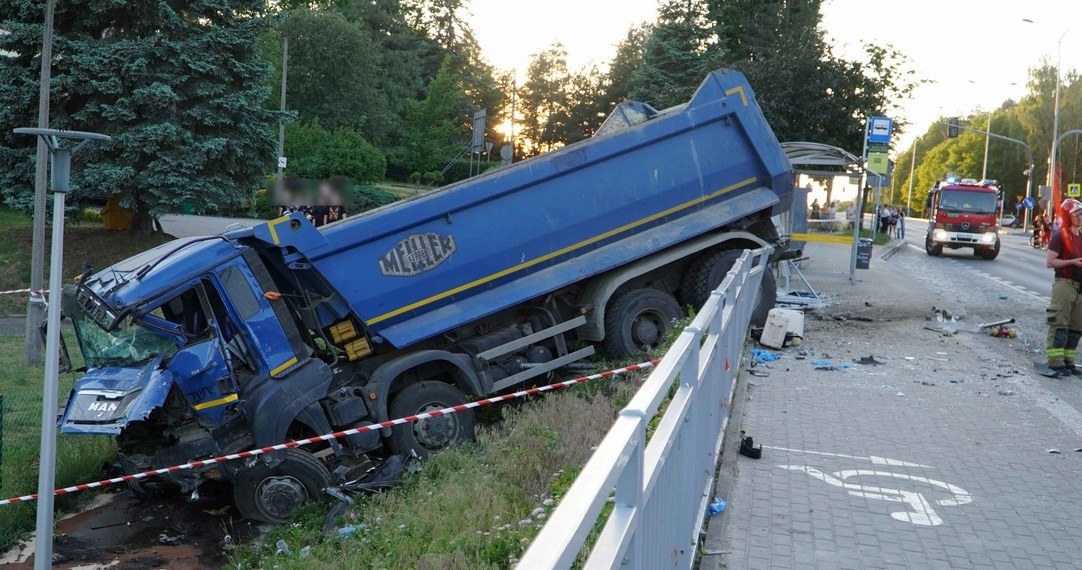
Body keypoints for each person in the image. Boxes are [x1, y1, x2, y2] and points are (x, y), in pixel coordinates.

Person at [1044, 198, 1082, 377]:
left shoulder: (1081, 236)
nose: (1080, 217)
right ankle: (1055, 362)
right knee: (1060, 324)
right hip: (1064, 285)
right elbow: (1050, 262)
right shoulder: (1061, 236)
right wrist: (1072, 261)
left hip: (1079, 287)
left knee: (1076, 328)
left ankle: (1068, 361)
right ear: (1068, 216)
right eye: (1077, 214)